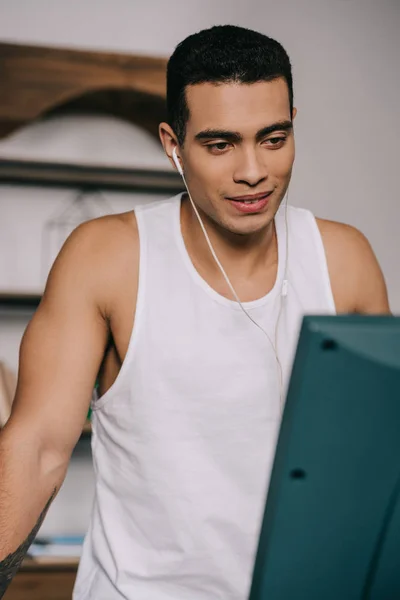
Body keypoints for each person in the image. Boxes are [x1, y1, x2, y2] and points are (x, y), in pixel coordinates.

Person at [0, 24, 390, 600]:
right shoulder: (107, 257)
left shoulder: (344, 259)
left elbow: (376, 460)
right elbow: (37, 449)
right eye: (220, 144)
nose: (252, 170)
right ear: (173, 143)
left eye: (274, 138)